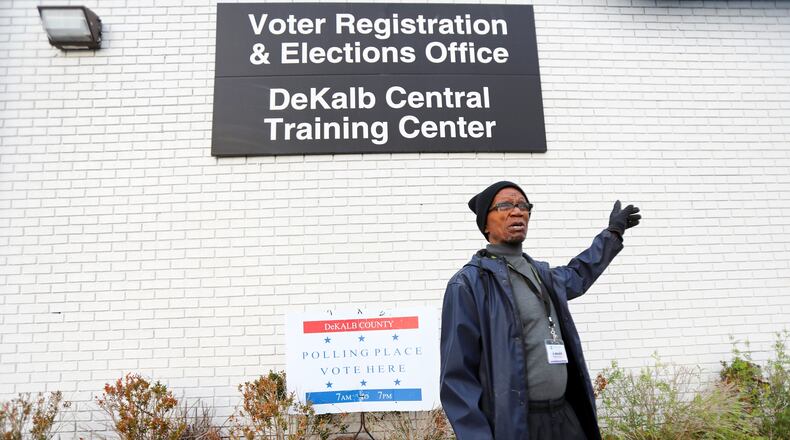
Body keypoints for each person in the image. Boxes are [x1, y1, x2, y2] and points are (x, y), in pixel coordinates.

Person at [439, 181, 640, 440]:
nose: (517, 211)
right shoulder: (469, 285)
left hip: (564, 416)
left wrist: (612, 234)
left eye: (523, 205)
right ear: (485, 225)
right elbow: (457, 378)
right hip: (518, 425)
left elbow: (579, 273)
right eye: (505, 205)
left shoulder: (542, 275)